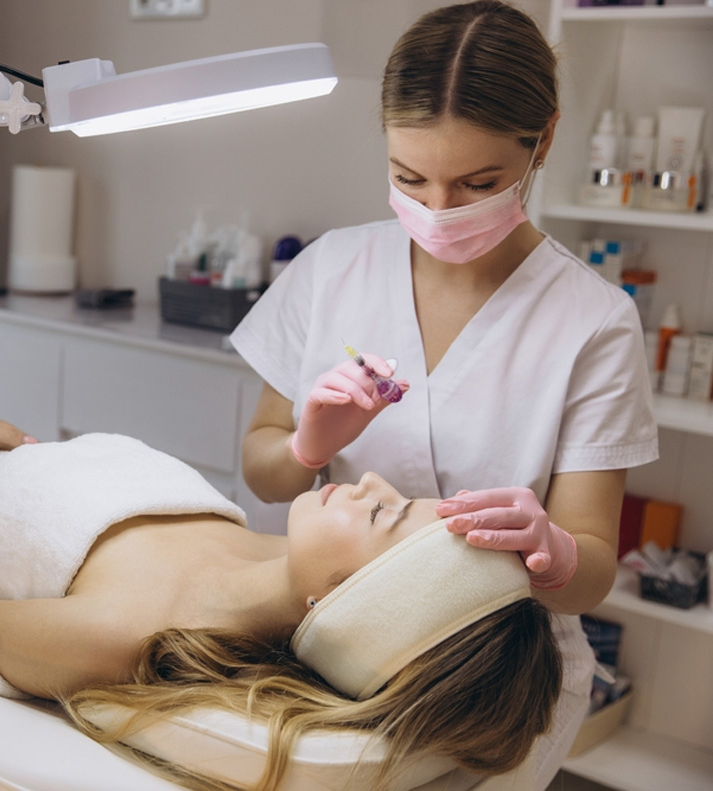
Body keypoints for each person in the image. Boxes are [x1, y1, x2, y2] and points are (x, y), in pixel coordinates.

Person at [229, 3, 657, 785]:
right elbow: (261, 473)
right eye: (409, 178)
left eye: (477, 183)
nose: (438, 209)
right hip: (335, 644)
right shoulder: (331, 269)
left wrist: (554, 552)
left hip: (496, 682)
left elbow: (592, 567)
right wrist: (306, 447)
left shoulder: (594, 320)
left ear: (544, 140)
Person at [0, 399, 561, 791]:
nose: (370, 481)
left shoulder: (118, 633)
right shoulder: (272, 554)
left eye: (381, 514)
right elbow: (73, 496)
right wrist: (0, 448)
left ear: (344, 602)